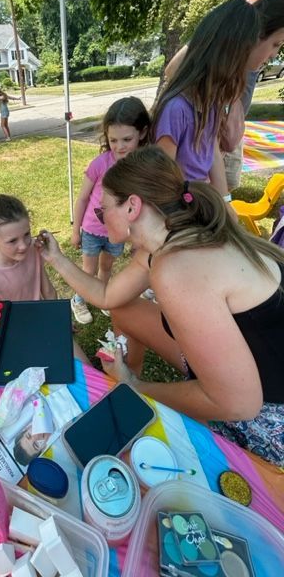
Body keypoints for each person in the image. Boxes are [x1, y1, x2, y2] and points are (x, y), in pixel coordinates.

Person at [36, 146, 284, 465]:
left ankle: (128, 389)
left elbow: (238, 404)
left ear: (132, 208)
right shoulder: (169, 240)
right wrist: (55, 258)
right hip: (250, 370)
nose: (99, 218)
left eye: (102, 210)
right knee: (124, 310)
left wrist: (137, 386)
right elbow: (110, 297)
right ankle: (122, 389)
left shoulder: (178, 270)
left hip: (268, 414)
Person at [166, 0, 284, 189]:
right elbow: (175, 69)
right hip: (193, 160)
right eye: (274, 44)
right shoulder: (232, 22)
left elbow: (227, 142)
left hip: (212, 150)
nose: (272, 55)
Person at [152, 0, 284, 202]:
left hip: (201, 207)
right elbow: (161, 183)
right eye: (275, 44)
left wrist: (225, 203)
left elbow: (214, 150)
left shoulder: (211, 104)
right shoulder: (177, 109)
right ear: (234, 50)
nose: (275, 55)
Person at [0, 193, 91, 364]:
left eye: (27, 234)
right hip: (12, 330)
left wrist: (58, 321)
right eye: (12, 241)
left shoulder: (33, 250)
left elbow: (48, 291)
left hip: (42, 319)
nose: (23, 245)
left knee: (86, 369)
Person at [70, 97, 151, 324]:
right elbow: (83, 198)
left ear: (142, 133)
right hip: (92, 230)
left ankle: (101, 296)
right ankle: (78, 299)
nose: (119, 146)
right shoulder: (100, 163)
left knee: (106, 268)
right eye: (113, 140)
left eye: (127, 139)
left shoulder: (141, 168)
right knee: (89, 270)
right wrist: (76, 230)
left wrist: (137, 239)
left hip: (117, 234)